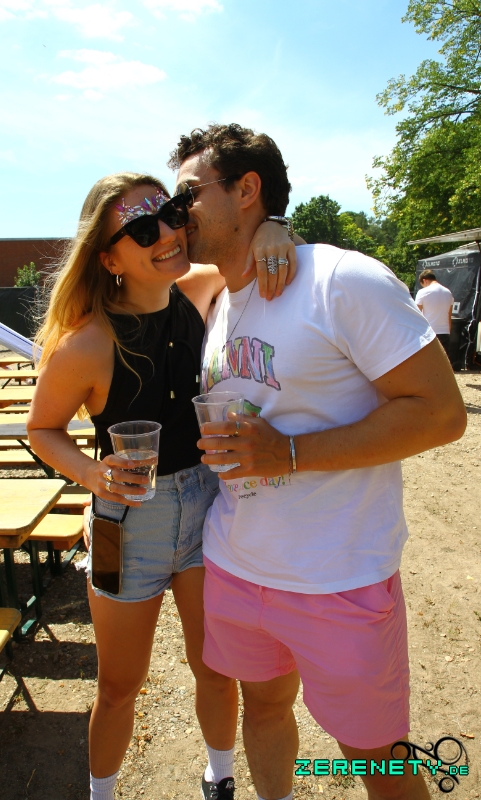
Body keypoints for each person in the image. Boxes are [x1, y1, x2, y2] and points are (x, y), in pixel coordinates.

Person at [168, 123, 467, 800]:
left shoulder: (342, 280)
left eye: (188, 194)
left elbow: (441, 414)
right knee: (264, 710)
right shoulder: (215, 295)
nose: (177, 211)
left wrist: (289, 453)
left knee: (376, 755)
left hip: (338, 578)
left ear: (246, 188)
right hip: (236, 565)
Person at [26, 172, 297, 800]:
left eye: (171, 214)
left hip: (206, 506)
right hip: (122, 525)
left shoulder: (200, 290)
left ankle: (219, 777)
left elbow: (258, 247)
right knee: (119, 686)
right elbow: (42, 429)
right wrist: (91, 473)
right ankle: (102, 794)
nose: (168, 233)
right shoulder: (86, 343)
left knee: (216, 667)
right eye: (143, 229)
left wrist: (276, 227)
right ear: (109, 258)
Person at [415, 268, 454, 357]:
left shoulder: (422, 292)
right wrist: (448, 332)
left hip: (429, 333)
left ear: (424, 280)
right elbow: (449, 315)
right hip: (445, 332)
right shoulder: (448, 292)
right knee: (442, 361)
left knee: (428, 360)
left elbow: (417, 314)